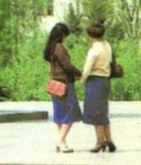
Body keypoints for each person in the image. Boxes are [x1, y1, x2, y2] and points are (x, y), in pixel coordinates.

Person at [42, 22, 81, 152]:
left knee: (59, 114)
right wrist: (80, 73)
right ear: (62, 35)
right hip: (64, 84)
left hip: (55, 84)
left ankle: (61, 142)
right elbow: (67, 66)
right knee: (71, 113)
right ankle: (60, 140)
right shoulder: (59, 47)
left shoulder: (50, 47)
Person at [81, 21, 116, 152]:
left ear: (90, 35)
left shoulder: (94, 50)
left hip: (95, 81)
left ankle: (99, 141)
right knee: (103, 111)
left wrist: (83, 80)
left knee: (96, 113)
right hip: (106, 80)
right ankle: (109, 139)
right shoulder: (107, 46)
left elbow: (87, 69)